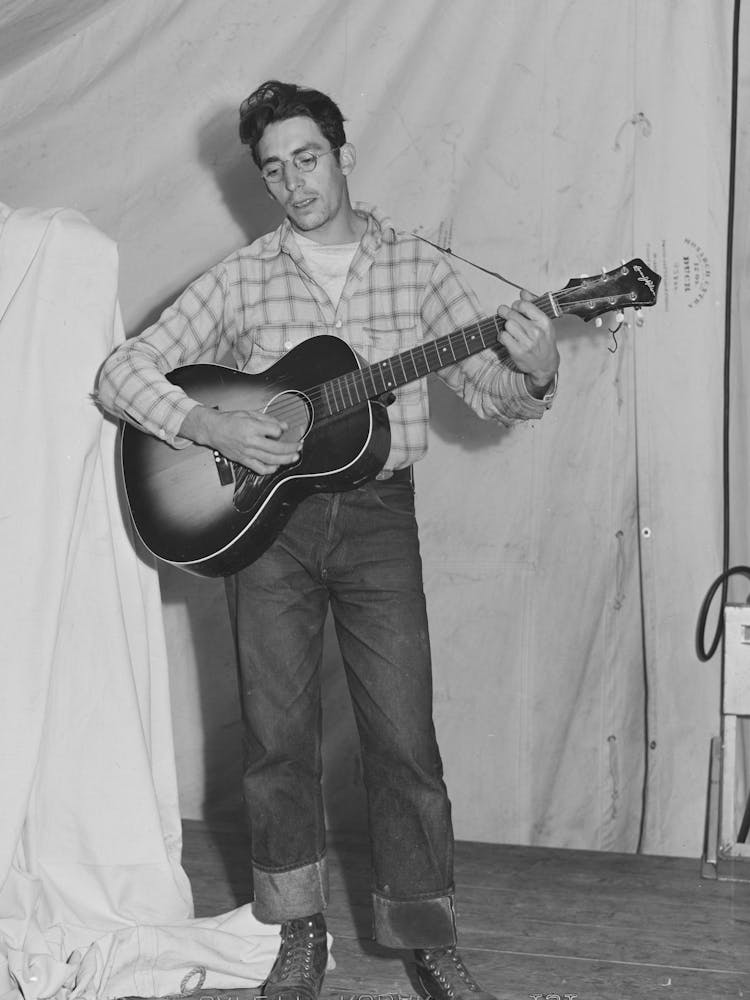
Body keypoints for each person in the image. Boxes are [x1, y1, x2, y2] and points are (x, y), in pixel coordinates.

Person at [97, 80, 560, 1000]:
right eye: (275, 170)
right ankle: (295, 936)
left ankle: (426, 938)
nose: (295, 183)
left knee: (404, 739)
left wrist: (538, 369)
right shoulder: (242, 274)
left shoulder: (419, 266)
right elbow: (122, 371)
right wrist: (211, 428)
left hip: (382, 522)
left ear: (343, 155)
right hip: (270, 527)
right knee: (277, 741)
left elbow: (491, 395)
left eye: (308, 159)